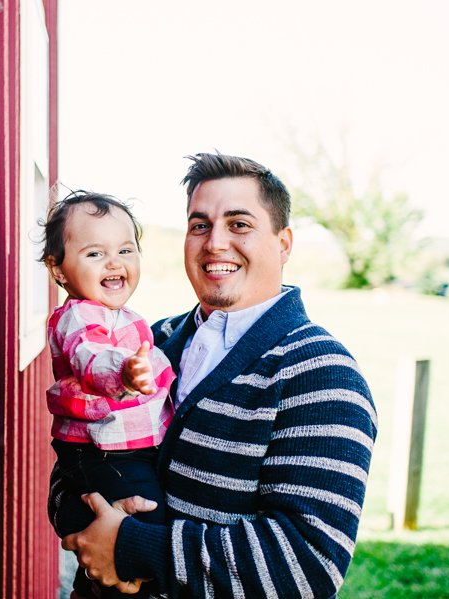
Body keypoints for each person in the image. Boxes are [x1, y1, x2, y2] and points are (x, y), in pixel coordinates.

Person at [49, 153, 377, 599]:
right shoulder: (151, 344)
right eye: (199, 224)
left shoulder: (323, 374)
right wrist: (83, 524)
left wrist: (130, 546)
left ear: (283, 244)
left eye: (239, 224)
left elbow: (306, 567)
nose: (214, 242)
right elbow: (73, 466)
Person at [39, 191, 177, 598]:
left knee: (135, 525)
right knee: (144, 525)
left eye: (125, 249)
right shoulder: (79, 316)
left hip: (128, 451)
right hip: (105, 453)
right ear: (58, 269)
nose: (115, 262)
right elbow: (90, 357)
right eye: (95, 253)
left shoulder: (128, 318)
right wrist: (124, 371)